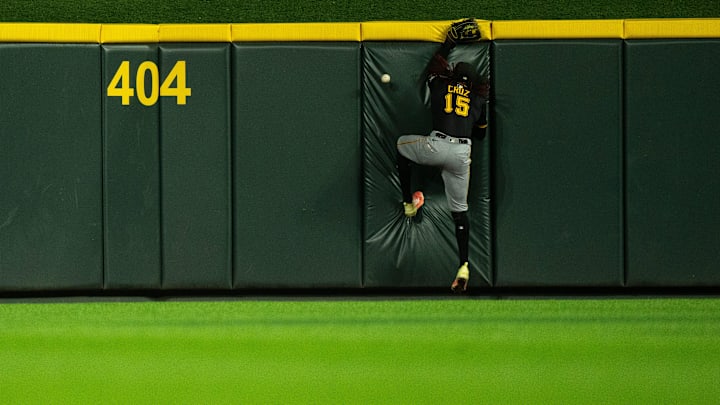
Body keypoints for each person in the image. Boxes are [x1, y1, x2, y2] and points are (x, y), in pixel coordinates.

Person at [395, 21, 489, 293]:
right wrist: (478, 98)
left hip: (436, 146)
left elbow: (434, 67)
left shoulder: (440, 84)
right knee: (460, 213)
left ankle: (408, 203)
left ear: (452, 74)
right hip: (462, 153)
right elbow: (481, 135)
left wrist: (449, 42)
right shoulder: (477, 99)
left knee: (402, 146)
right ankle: (463, 265)